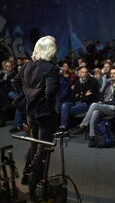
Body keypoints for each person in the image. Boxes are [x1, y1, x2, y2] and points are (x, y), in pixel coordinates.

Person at [12, 36, 59, 187]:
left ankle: (26, 175)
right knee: (42, 146)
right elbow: (50, 93)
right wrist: (43, 102)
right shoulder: (51, 68)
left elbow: (16, 82)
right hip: (44, 113)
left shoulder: (27, 65)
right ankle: (36, 180)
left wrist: (28, 97)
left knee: (33, 143)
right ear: (51, 51)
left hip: (30, 112)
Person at [72, 66, 115, 147]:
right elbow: (102, 95)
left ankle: (82, 125)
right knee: (95, 112)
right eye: (111, 73)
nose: (112, 75)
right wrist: (101, 101)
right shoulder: (109, 83)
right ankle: (92, 137)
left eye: (114, 73)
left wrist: (102, 104)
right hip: (105, 106)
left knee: (94, 105)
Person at [58, 67, 98, 133]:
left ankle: (64, 128)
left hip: (85, 105)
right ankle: (63, 127)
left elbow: (88, 99)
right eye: (82, 72)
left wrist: (79, 96)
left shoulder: (91, 83)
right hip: (75, 103)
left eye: (86, 72)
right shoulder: (77, 82)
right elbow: (73, 97)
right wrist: (83, 95)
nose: (84, 74)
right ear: (79, 74)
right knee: (64, 105)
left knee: (65, 110)